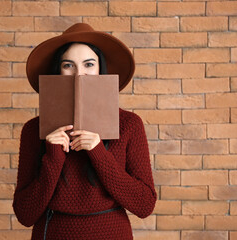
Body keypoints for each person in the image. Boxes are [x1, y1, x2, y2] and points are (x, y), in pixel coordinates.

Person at [13, 23, 156, 240]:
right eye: (68, 65)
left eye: (89, 64)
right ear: (58, 71)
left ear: (101, 69)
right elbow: (24, 214)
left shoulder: (129, 124)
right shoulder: (34, 129)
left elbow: (144, 205)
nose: (79, 74)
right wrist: (53, 157)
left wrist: (98, 152)